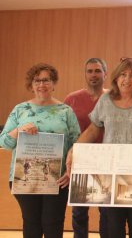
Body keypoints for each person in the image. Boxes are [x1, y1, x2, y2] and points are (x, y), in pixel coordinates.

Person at [72, 57, 132, 238]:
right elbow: (93, 129)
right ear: (115, 77)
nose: (127, 79)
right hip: (110, 171)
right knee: (113, 223)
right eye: (123, 74)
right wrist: (74, 149)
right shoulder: (105, 100)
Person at [0, 63, 80, 238]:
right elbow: (4, 142)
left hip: (58, 178)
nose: (41, 84)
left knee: (53, 223)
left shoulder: (65, 111)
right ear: (31, 84)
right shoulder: (20, 110)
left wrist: (69, 169)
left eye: (46, 80)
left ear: (53, 83)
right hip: (25, 177)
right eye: (37, 80)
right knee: (31, 223)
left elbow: (77, 142)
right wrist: (18, 130)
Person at [64, 58, 109, 238]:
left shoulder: (112, 97)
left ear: (105, 73)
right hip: (80, 160)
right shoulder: (71, 99)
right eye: (89, 71)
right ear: (85, 74)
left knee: (106, 210)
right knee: (79, 211)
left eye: (97, 71)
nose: (93, 75)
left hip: (106, 160)